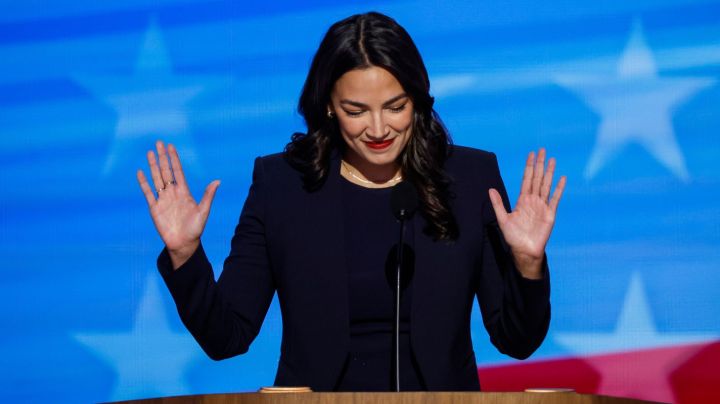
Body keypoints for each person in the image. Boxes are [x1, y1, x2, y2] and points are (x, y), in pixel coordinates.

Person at [136, 11, 566, 392]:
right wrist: (185, 254)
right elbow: (226, 338)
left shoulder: (469, 180)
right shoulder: (283, 185)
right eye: (356, 110)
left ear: (417, 100)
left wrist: (528, 264)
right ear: (327, 106)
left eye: (395, 106)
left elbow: (517, 341)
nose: (379, 128)